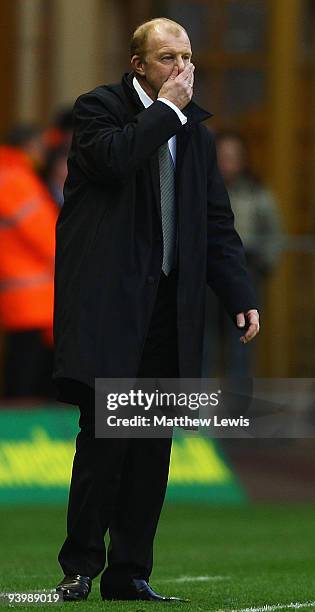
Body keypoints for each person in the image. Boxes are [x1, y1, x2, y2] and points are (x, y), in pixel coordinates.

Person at [54, 17, 259, 602]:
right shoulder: (99, 110)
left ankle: (130, 573)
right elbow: (115, 161)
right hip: (112, 310)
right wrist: (165, 111)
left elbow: (216, 223)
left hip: (171, 309)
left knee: (151, 448)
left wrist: (239, 295)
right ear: (138, 64)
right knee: (103, 443)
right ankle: (80, 567)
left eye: (187, 57)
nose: (181, 69)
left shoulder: (195, 131)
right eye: (168, 57)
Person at [203, 132, 281, 378]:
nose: (228, 163)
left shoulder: (257, 192)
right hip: (208, 272)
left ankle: (238, 403)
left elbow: (274, 232)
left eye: (233, 157)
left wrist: (265, 264)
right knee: (205, 339)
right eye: (222, 157)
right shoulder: (203, 188)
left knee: (243, 338)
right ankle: (199, 401)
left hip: (246, 269)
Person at [0, 124, 57, 398]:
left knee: (23, 371)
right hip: (30, 297)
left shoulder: (10, 174)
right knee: (26, 380)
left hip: (22, 295)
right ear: (31, 146)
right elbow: (45, 236)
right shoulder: (15, 178)